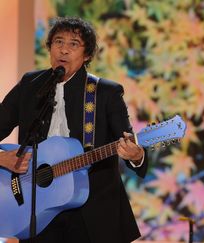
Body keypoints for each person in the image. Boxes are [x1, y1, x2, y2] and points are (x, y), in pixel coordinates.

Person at [0, 17, 147, 242]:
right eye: (58, 42)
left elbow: (128, 142)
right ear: (50, 48)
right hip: (36, 208)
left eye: (73, 44)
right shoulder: (30, 86)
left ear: (87, 55)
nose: (64, 50)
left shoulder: (105, 92)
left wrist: (136, 156)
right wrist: (2, 158)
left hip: (92, 213)